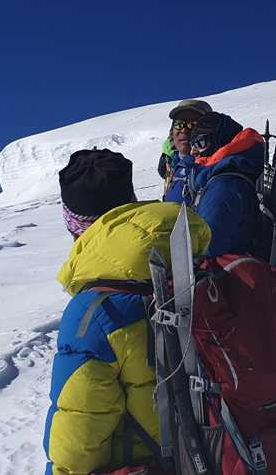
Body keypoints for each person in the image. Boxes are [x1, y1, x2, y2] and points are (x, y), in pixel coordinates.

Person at [44, 149, 211, 475]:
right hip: (231, 453)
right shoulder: (198, 261)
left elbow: (77, 440)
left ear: (78, 229)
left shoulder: (93, 312)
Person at [163, 99, 264, 256]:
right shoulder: (174, 165)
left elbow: (209, 239)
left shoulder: (221, 177)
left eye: (193, 124)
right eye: (179, 124)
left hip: (202, 265)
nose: (184, 130)